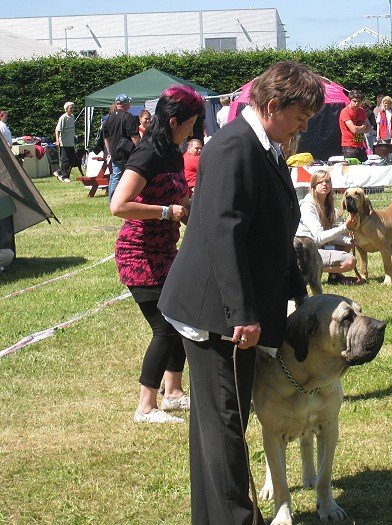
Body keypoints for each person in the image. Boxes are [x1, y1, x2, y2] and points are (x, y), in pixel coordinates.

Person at [157, 61, 324, 524]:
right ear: (273, 106)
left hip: (234, 309)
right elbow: (221, 234)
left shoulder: (262, 146)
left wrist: (296, 290)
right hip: (216, 315)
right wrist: (241, 314)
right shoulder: (235, 148)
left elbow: (270, 232)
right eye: (300, 117)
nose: (303, 128)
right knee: (226, 425)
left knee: (217, 425)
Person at [109, 85, 204, 424]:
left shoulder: (174, 153)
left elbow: (182, 200)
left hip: (166, 250)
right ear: (173, 120)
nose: (192, 131)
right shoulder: (146, 154)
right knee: (164, 328)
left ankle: (174, 394)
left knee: (180, 319)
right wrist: (167, 212)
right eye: (189, 124)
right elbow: (119, 206)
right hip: (139, 255)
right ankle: (145, 406)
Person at [296, 170, 360, 285]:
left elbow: (328, 235)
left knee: (347, 238)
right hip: (306, 251)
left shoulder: (327, 205)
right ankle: (308, 270)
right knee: (350, 261)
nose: (325, 184)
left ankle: (335, 276)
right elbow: (320, 237)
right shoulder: (307, 205)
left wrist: (349, 240)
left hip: (320, 245)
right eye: (320, 182)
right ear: (313, 186)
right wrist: (345, 226)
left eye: (327, 181)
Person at [103, 94, 140, 201]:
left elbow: (106, 138)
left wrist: (109, 151)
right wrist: (139, 150)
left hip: (114, 152)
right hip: (128, 152)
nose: (130, 104)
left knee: (115, 177)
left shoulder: (109, 118)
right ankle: (130, 199)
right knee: (132, 176)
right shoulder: (128, 117)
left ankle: (112, 200)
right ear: (125, 104)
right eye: (129, 102)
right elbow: (134, 137)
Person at [339, 90, 372, 162]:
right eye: (354, 101)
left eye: (359, 101)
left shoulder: (361, 110)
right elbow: (354, 130)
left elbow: (370, 129)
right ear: (349, 100)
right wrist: (364, 126)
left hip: (360, 146)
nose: (356, 104)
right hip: (349, 147)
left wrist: (360, 128)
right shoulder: (345, 112)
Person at [54, 101, 77, 183]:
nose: (72, 109)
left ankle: (59, 172)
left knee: (72, 160)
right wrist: (57, 141)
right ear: (66, 109)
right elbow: (57, 130)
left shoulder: (72, 117)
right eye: (71, 108)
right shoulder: (63, 118)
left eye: (73, 107)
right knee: (65, 160)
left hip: (71, 143)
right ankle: (64, 176)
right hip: (64, 142)